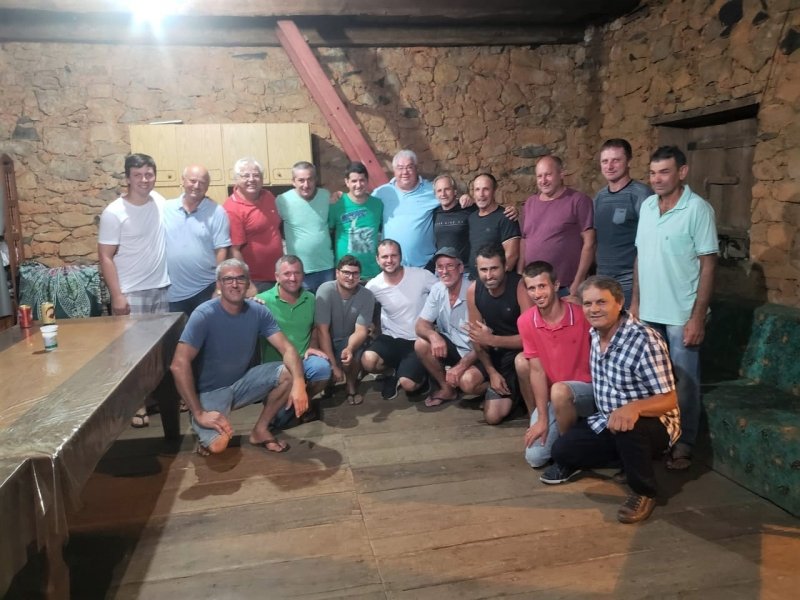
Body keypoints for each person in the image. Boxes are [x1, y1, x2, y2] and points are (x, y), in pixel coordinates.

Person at [542, 276, 680, 525]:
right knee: (562, 451)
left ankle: (644, 492)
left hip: (652, 422)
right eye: (588, 304)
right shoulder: (595, 334)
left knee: (628, 426)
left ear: (619, 302)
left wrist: (634, 408)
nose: (594, 309)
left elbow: (669, 399)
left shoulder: (644, 340)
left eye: (601, 302)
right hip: (607, 418)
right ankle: (628, 459)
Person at [632, 145, 718, 471]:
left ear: (682, 172)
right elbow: (640, 256)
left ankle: (684, 444)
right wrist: (636, 302)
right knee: (651, 382)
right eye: (653, 173)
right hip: (649, 311)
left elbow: (708, 265)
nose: (657, 179)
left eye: (664, 172)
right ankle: (657, 439)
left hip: (681, 315)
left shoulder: (698, 210)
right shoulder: (647, 207)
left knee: (684, 383)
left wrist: (697, 317)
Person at [170, 258, 308, 456]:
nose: (234, 284)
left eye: (240, 279)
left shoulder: (258, 311)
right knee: (218, 446)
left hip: (242, 383)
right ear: (219, 284)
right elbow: (178, 364)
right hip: (210, 391)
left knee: (289, 373)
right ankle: (198, 419)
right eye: (228, 279)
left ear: (248, 282)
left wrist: (299, 382)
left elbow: (287, 348)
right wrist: (199, 412)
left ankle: (261, 430)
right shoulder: (204, 314)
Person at [98, 152, 170, 427]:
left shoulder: (159, 202)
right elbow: (105, 256)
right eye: (137, 175)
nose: (144, 179)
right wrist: (117, 295)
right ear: (127, 178)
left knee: (156, 352)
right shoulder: (114, 213)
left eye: (149, 174)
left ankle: (150, 398)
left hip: (161, 288)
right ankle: (135, 405)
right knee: (132, 354)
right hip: (131, 292)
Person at [515, 261, 593, 468]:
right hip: (555, 397)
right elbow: (537, 371)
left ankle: (568, 453)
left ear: (556, 285)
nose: (537, 294)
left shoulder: (582, 314)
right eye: (532, 288)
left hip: (588, 390)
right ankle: (567, 429)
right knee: (535, 457)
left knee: (559, 391)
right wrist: (542, 418)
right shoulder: (525, 321)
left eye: (542, 286)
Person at [257, 255, 332, 425]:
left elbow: (314, 328)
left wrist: (312, 345)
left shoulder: (310, 298)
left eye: (297, 273)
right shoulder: (262, 301)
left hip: (303, 359)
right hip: (277, 367)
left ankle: (305, 399)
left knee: (322, 368)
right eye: (287, 274)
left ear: (303, 275)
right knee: (279, 421)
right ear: (277, 276)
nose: (293, 278)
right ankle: (290, 402)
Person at [463, 244, 532, 425]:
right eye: (483, 270)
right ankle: (507, 392)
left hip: (521, 353)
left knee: (493, 416)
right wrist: (492, 372)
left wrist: (492, 339)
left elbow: (531, 339)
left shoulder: (520, 287)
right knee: (468, 382)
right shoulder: (473, 291)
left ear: (505, 266)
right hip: (495, 354)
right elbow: (477, 339)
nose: (489, 275)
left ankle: (523, 399)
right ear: (477, 269)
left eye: (494, 268)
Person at [363, 239, 437, 399]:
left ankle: (425, 372)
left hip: (417, 340)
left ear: (401, 256)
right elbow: (362, 309)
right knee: (368, 361)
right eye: (384, 257)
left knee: (409, 385)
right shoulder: (373, 286)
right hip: (391, 338)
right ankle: (392, 372)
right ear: (377, 259)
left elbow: (442, 293)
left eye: (393, 255)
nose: (389, 260)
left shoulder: (421, 275)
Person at [518, 155, 595, 299]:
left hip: (565, 286)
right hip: (533, 287)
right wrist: (520, 275)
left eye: (548, 175)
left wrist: (578, 281)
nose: (543, 180)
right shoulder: (530, 203)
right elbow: (524, 240)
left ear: (561, 174)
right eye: (539, 176)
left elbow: (589, 242)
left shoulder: (578, 200)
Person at [163, 164, 231, 315]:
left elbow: (222, 250)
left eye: (202, 182)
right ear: (183, 180)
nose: (196, 186)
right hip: (172, 292)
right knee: (178, 331)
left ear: (207, 186)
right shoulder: (166, 208)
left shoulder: (217, 212)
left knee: (208, 330)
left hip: (206, 289)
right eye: (192, 181)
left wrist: (218, 288)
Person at [414, 247, 476, 407]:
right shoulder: (438, 289)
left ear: (461, 268)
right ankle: (447, 389)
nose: (444, 271)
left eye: (450, 266)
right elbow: (420, 324)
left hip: (477, 352)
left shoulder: (473, 291)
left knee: (467, 383)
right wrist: (434, 336)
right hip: (454, 347)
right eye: (440, 267)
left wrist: (461, 367)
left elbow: (486, 342)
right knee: (421, 343)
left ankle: (489, 388)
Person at [594, 139, 652, 307]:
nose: (609, 166)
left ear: (629, 162)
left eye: (616, 160)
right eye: (605, 161)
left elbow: (650, 241)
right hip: (603, 279)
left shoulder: (641, 195)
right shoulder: (600, 197)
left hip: (629, 282)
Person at [315, 256, 376, 405]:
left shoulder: (367, 295)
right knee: (327, 373)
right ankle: (329, 381)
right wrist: (333, 365)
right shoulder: (325, 290)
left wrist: (349, 348)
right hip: (327, 340)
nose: (351, 277)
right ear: (337, 273)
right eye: (346, 272)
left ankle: (351, 385)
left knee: (355, 350)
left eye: (355, 273)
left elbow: (361, 330)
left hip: (349, 339)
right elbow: (322, 331)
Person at [223, 157, 282, 294]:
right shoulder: (232, 208)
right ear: (236, 179)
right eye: (245, 176)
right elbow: (234, 251)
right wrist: (247, 283)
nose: (251, 179)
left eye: (256, 175)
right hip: (257, 281)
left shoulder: (268, 196)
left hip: (278, 274)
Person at [276, 162, 335, 293]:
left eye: (310, 179)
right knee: (303, 305)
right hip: (298, 271)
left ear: (316, 180)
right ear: (293, 181)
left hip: (326, 267)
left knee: (328, 304)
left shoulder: (325, 196)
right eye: (301, 180)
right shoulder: (283, 200)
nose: (306, 185)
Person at [328, 161, 384, 280]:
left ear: (367, 181)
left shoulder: (377, 204)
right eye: (354, 181)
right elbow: (328, 232)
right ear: (346, 182)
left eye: (362, 180)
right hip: (345, 273)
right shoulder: (337, 204)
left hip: (372, 273)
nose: (358, 185)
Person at [467, 173, 520, 277]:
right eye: (477, 189)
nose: (481, 194)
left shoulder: (506, 217)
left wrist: (494, 280)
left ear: (494, 191)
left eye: (486, 189)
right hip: (473, 280)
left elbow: (511, 256)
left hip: (495, 281)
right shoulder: (471, 217)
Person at [430, 174, 474, 267]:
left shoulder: (468, 209)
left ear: (455, 191)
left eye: (447, 189)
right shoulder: (434, 213)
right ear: (435, 195)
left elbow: (487, 210)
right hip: (442, 270)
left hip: (464, 269)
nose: (443, 194)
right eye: (439, 191)